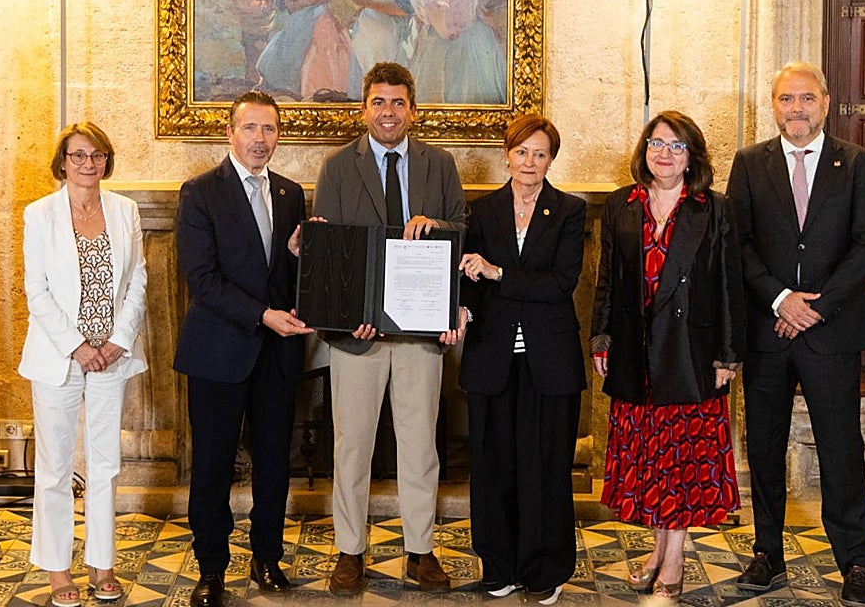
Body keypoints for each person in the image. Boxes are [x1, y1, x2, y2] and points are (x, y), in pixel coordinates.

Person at [726, 62, 865, 606]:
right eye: (786, 99)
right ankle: (767, 552)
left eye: (806, 98)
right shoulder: (750, 163)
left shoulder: (856, 162)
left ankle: (854, 562)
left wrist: (816, 307)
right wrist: (780, 299)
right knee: (764, 446)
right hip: (768, 330)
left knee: (841, 448)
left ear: (826, 103)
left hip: (831, 332)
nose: (796, 108)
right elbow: (738, 242)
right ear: (773, 105)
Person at [312, 61, 468, 595]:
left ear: (413, 110)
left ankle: (420, 551)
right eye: (378, 101)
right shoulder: (337, 167)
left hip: (420, 335)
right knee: (351, 445)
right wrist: (341, 319)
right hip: (356, 337)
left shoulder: (439, 164)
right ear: (364, 109)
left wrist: (436, 226)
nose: (388, 111)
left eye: (398, 102)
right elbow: (329, 246)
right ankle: (350, 551)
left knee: (420, 445)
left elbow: (462, 231)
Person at [591, 110, 745, 601]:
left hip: (691, 354)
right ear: (645, 151)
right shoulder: (621, 205)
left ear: (691, 156)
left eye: (677, 146)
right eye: (657, 143)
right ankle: (659, 550)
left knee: (682, 461)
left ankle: (674, 556)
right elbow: (607, 280)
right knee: (652, 460)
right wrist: (601, 337)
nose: (665, 153)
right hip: (635, 353)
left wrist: (727, 355)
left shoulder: (714, 208)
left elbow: (729, 285)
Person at [173, 91, 314, 607]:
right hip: (218, 351)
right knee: (212, 466)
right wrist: (262, 315)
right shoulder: (200, 192)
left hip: (277, 354)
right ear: (230, 133)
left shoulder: (290, 193)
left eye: (269, 129)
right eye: (250, 128)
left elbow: (285, 274)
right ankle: (211, 569)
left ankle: (267, 558)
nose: (260, 139)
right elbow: (202, 279)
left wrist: (299, 255)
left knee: (275, 463)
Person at [458, 114, 586, 605]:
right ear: (507, 155)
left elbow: (561, 284)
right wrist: (464, 308)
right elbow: (469, 280)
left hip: (549, 361)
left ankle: (545, 568)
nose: (529, 162)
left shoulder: (569, 211)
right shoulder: (481, 210)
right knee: (492, 466)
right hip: (492, 357)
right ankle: (498, 565)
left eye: (540, 154)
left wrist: (498, 274)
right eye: (522, 152)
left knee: (546, 467)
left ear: (551, 160)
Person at [19, 122, 148, 607]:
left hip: (112, 357)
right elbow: (36, 291)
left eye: (97, 155)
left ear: (106, 161)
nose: (88, 164)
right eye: (78, 155)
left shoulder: (125, 211)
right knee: (55, 467)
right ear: (62, 162)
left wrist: (118, 341)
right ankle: (58, 568)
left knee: (106, 464)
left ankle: (102, 563)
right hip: (60, 357)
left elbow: (137, 281)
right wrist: (77, 346)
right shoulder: (40, 215)